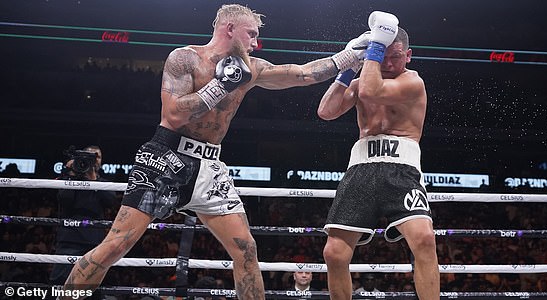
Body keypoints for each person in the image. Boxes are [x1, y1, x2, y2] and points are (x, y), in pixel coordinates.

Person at [62, 4, 367, 299]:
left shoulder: (251, 67)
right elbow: (174, 115)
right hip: (165, 158)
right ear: (229, 28)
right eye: (251, 33)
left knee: (246, 249)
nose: (256, 42)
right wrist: (220, 86)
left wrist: (346, 56)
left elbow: (300, 74)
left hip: (210, 165)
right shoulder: (184, 59)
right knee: (116, 246)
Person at [318, 11, 439, 300]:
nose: (387, 62)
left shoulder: (413, 82)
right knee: (334, 253)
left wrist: (372, 51)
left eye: (394, 56)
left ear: (408, 55)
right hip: (362, 167)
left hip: (402, 168)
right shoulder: (364, 79)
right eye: (382, 55)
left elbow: (372, 91)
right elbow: (326, 111)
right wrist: (349, 65)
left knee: (423, 239)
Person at [50, 146, 115, 299]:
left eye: (96, 156)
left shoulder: (103, 183)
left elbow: (110, 201)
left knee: (92, 287)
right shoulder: (69, 179)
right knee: (59, 283)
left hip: (94, 242)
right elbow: (64, 200)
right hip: (69, 240)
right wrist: (72, 173)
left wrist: (93, 179)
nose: (93, 160)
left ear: (100, 161)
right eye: (88, 156)